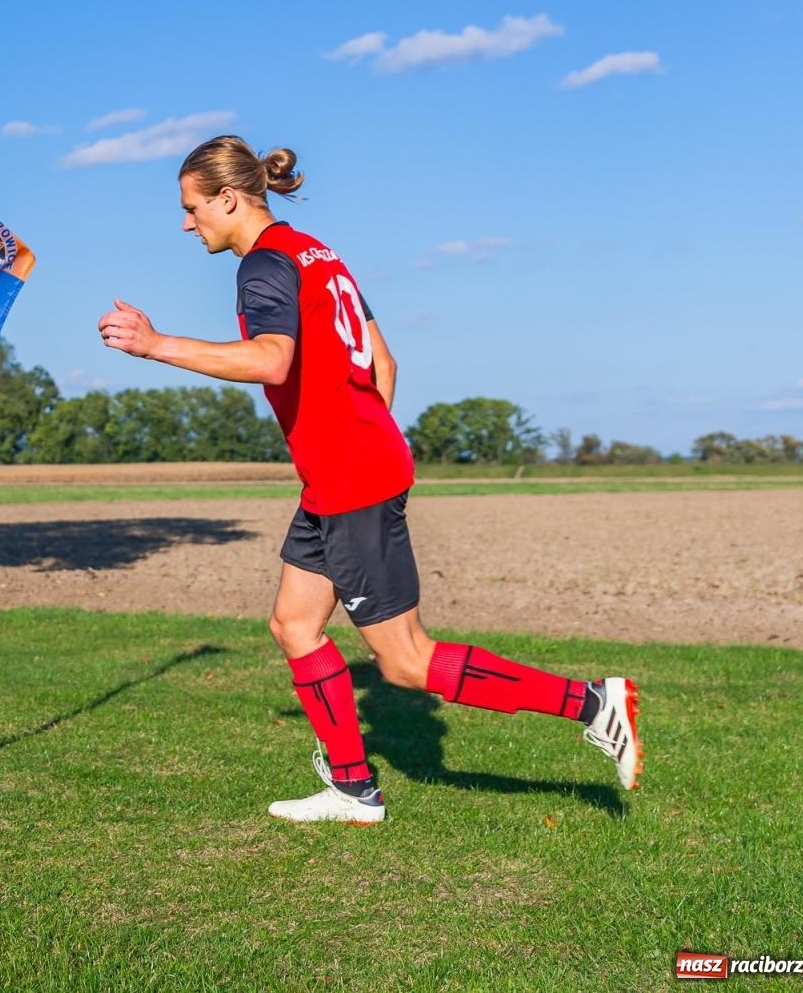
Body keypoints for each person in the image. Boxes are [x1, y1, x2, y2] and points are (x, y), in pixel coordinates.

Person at [96, 135, 642, 824]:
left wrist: (155, 345)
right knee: (294, 624)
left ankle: (594, 704)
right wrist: (353, 437)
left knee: (406, 663)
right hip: (345, 471)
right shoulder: (317, 253)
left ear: (229, 199)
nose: (185, 223)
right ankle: (354, 789)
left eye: (192, 207)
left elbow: (271, 361)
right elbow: (384, 360)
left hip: (351, 477)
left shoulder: (263, 266)